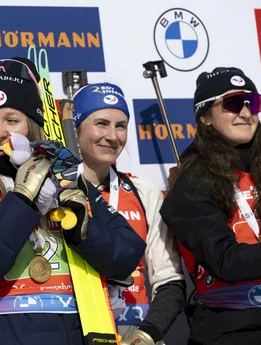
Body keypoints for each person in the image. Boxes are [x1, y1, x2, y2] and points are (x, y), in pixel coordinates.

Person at [0, 57, 147, 345]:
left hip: (79, 330)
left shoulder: (64, 174)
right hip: (4, 333)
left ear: (32, 126)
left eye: (11, 120)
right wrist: (24, 200)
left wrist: (83, 230)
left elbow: (127, 254)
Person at [160, 67, 261, 345]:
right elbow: (224, 261)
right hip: (231, 329)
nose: (245, 112)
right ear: (205, 117)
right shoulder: (190, 182)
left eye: (252, 103)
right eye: (231, 103)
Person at [72, 82, 186, 345]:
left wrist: (146, 336)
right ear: (76, 129)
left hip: (134, 332)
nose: (113, 136)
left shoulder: (143, 191)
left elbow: (170, 282)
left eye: (120, 125)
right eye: (101, 123)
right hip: (76, 331)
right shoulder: (54, 192)